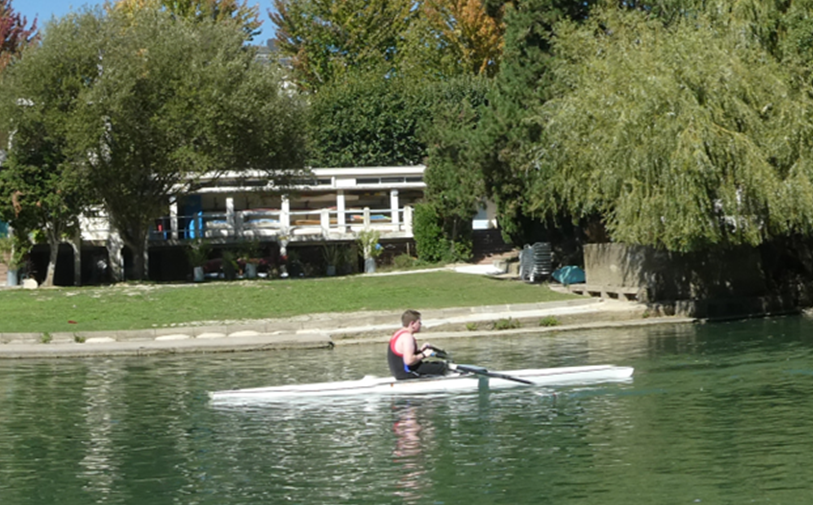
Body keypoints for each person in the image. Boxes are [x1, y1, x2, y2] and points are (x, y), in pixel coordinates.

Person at [388, 310, 447, 380]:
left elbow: (405, 356)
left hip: (402, 373)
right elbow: (409, 361)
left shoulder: (398, 334)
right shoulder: (407, 337)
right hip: (407, 375)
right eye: (419, 322)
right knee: (443, 367)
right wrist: (423, 355)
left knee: (437, 364)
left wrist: (421, 351)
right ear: (412, 323)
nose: (421, 325)